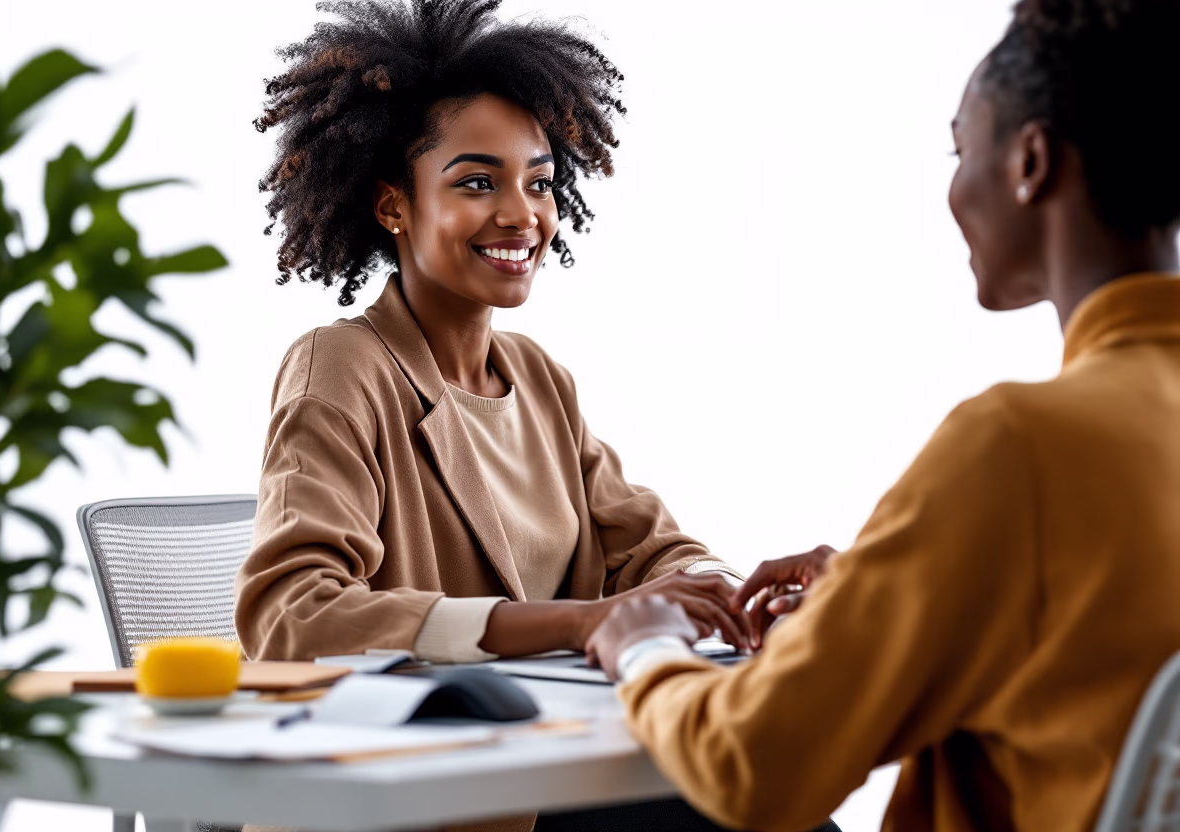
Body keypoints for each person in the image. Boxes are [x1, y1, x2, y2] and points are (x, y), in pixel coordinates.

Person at [585, 1, 1180, 831]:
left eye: (959, 147)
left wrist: (645, 650)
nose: (952, 183)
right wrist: (870, 596)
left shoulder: (1021, 447)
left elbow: (755, 764)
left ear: (1031, 161)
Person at [235, 2, 803, 830]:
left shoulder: (537, 378)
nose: (520, 214)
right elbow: (294, 617)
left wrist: (733, 594)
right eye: (476, 182)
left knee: (763, 790)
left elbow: (646, 548)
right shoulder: (342, 367)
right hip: (421, 797)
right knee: (743, 803)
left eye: (538, 182)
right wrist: (576, 623)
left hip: (548, 772)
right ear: (393, 205)